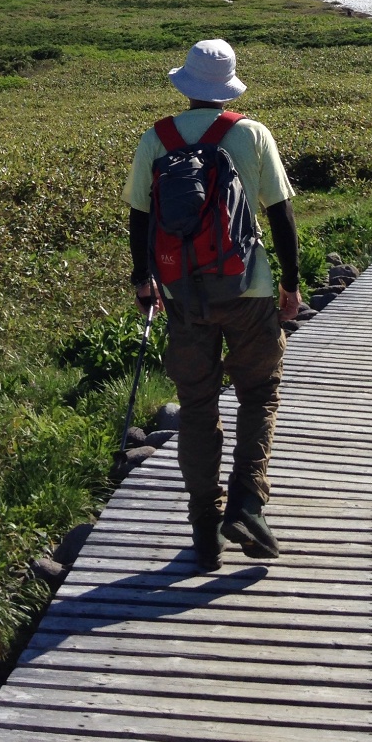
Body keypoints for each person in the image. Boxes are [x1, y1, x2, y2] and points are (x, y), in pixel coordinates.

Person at [124, 38, 301, 573]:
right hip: (248, 291)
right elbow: (282, 216)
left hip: (182, 294)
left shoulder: (158, 137)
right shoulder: (251, 133)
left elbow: (139, 218)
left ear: (186, 85)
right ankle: (247, 502)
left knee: (198, 409)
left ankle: (204, 529)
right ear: (227, 87)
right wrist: (291, 286)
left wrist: (143, 281)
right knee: (259, 391)